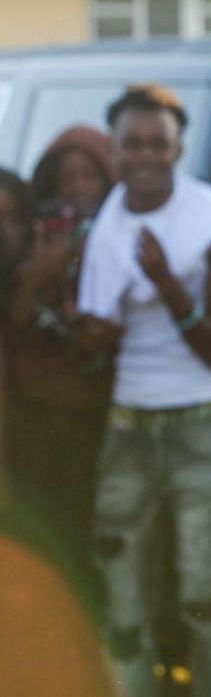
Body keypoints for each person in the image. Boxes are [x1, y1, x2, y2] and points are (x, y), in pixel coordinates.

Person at [61, 85, 211, 697]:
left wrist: (171, 286)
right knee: (123, 598)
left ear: (178, 148)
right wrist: (90, 334)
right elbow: (90, 344)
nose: (143, 157)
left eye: (157, 144)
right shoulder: (105, 226)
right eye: (130, 144)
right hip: (129, 424)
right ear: (115, 150)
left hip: (202, 419)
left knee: (204, 591)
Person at [3, 128, 116, 586]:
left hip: (96, 419)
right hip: (34, 420)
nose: (76, 188)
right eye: (65, 178)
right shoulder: (22, 248)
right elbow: (15, 326)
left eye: (89, 175)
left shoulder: (119, 240)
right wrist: (39, 274)